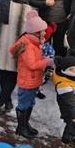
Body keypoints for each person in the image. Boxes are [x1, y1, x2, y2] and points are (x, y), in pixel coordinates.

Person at [9, 10, 53, 139]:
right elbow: (32, 65)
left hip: (33, 80)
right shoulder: (28, 45)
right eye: (43, 31)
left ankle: (25, 124)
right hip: (27, 80)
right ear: (35, 32)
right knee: (24, 104)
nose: (45, 33)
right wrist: (47, 61)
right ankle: (21, 127)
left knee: (30, 103)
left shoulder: (35, 43)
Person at [53, 55, 75, 148]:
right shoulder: (63, 83)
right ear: (64, 70)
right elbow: (70, 102)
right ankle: (65, 143)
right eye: (71, 69)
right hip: (70, 111)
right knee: (73, 126)